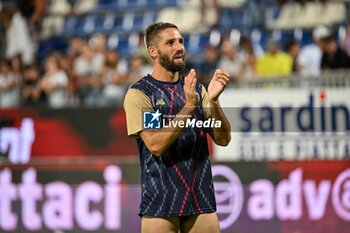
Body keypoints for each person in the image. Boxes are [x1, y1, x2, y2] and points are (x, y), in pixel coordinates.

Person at [123, 22, 231, 233]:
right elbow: (155, 144)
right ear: (153, 51)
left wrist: (215, 102)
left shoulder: (197, 90)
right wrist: (188, 107)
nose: (179, 47)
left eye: (181, 41)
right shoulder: (144, 94)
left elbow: (223, 138)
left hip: (200, 200)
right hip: (161, 203)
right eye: (170, 42)